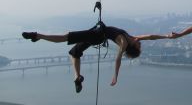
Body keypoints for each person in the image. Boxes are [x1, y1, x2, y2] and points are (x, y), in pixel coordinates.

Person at [22, 23, 167, 92]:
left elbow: (117, 60)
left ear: (133, 47)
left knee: (65, 37)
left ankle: (37, 35)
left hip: (95, 35)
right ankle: (77, 77)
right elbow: (151, 37)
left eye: (139, 46)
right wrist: (169, 36)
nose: (140, 44)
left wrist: (116, 76)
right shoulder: (131, 38)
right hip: (96, 37)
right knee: (74, 53)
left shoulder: (123, 42)